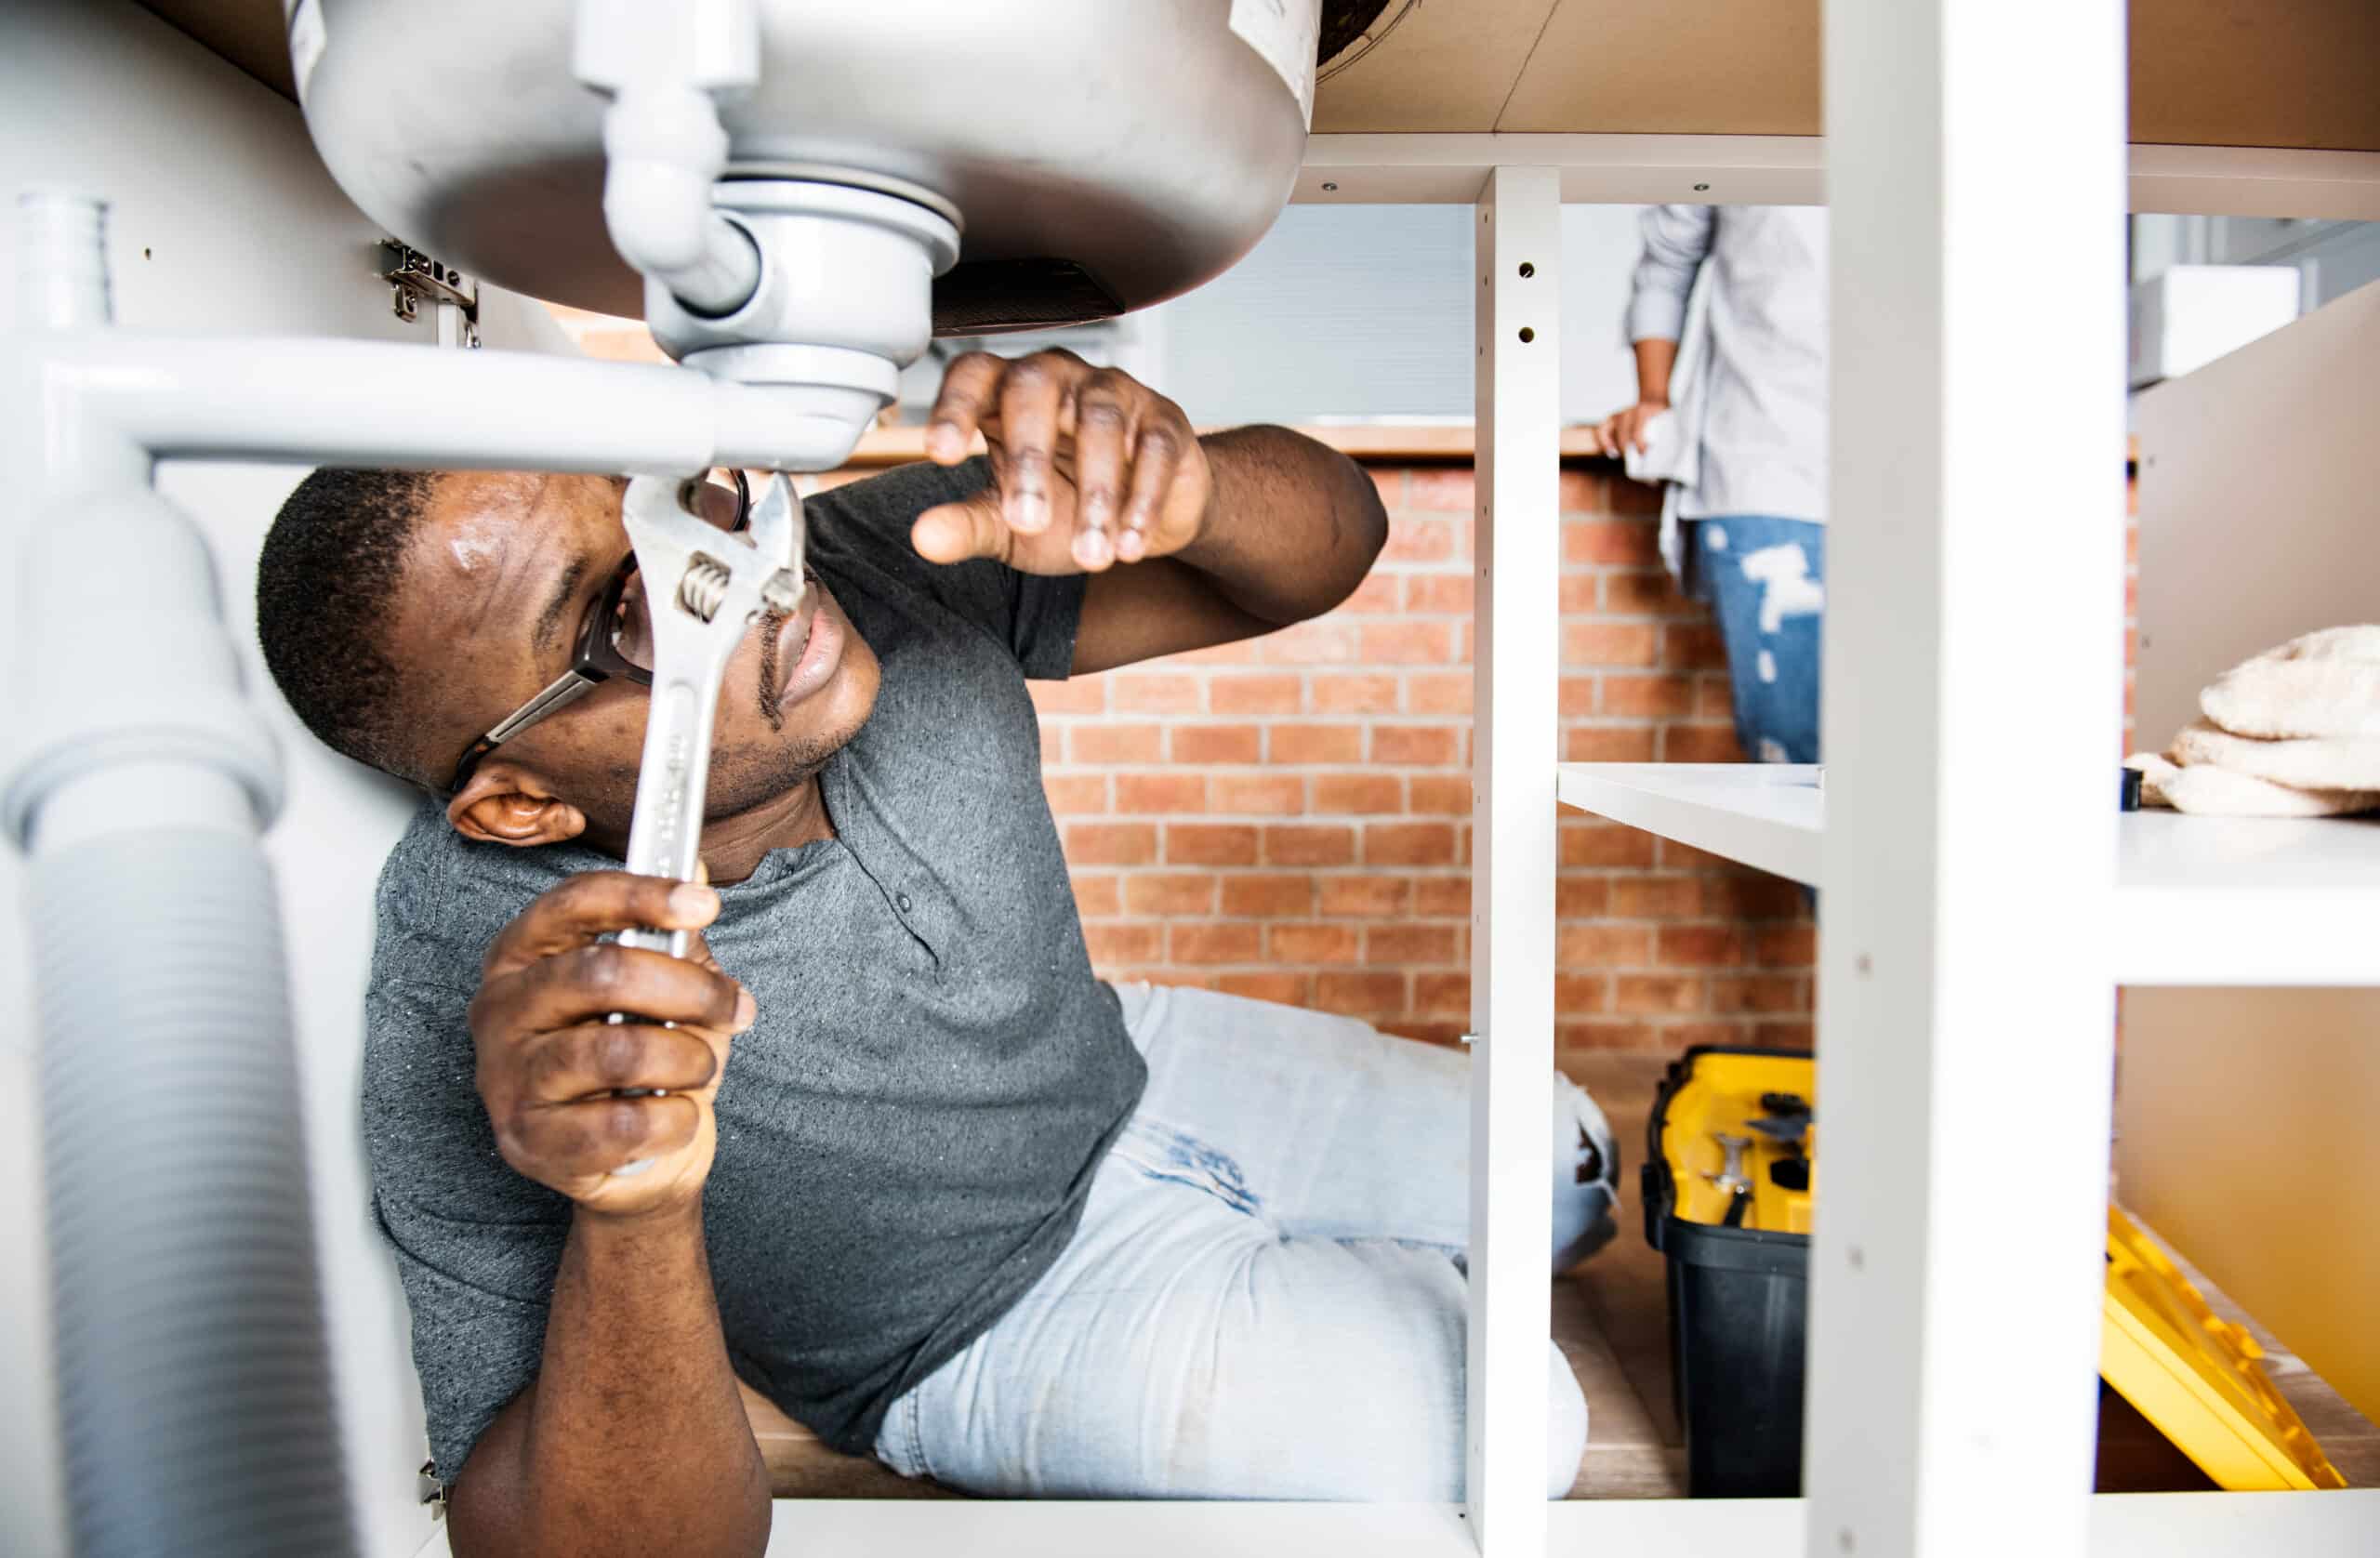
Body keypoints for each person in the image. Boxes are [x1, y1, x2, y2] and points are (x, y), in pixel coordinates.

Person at [255, 349, 1620, 1557]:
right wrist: (633, 1205)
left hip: (1126, 1063)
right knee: (1521, 1424)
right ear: (521, 803)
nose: (749, 585)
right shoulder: (482, 990)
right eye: (626, 610)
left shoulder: (873, 560)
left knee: (1569, 1171)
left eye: (684, 506)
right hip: (978, 1325)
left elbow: (1334, 547)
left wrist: (1188, 482)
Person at [1596, 205, 1828, 764]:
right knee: (1791, 751)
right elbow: (1665, 266)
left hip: (1921, 473)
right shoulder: (1735, 125)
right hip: (1764, 462)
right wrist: (1653, 396)